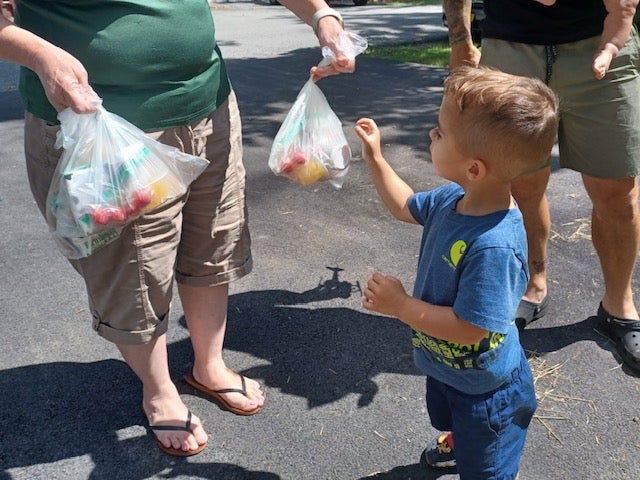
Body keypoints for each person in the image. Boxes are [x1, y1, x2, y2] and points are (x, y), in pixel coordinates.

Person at [0, 0, 355, 456]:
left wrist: (322, 16)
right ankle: (159, 389)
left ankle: (209, 366)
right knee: (133, 266)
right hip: (100, 125)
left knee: (214, 238)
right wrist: (38, 54)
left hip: (207, 103)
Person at [355, 66, 560, 479]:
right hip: (446, 366)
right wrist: (375, 158)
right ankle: (459, 438)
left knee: (486, 466)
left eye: (440, 132)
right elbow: (405, 205)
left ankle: (479, 451)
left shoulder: (494, 247)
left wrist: (401, 306)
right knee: (451, 413)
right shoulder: (454, 198)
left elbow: (471, 330)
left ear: (474, 168)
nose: (432, 135)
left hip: (488, 389)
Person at [443, 0, 640, 374]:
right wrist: (460, 40)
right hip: (509, 48)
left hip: (599, 43)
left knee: (617, 191)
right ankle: (532, 285)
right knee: (519, 187)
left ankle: (619, 305)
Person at [534, 0, 638, 79]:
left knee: (624, 5)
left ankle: (609, 50)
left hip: (596, 38)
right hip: (523, 47)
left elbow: (625, 9)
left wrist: (610, 49)